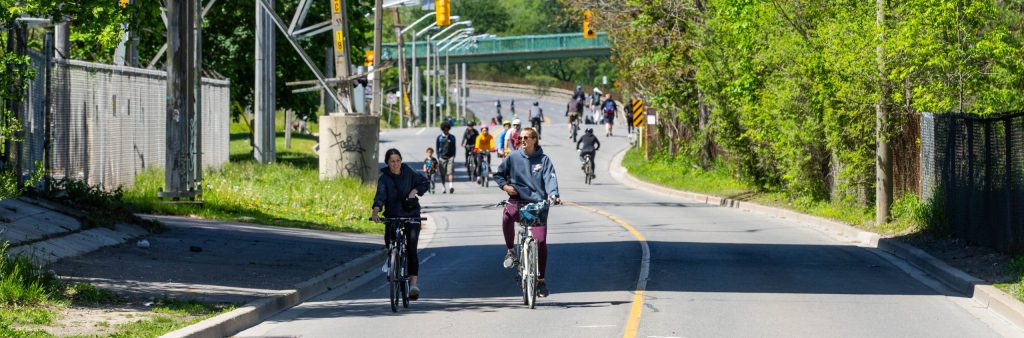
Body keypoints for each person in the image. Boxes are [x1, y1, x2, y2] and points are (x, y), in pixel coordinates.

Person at [493, 127, 561, 298]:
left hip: (537, 204)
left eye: (526, 138)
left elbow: (550, 179)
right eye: (521, 138)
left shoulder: (544, 160)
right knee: (507, 216)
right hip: (516, 200)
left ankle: (541, 281)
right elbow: (499, 175)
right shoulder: (513, 157)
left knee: (540, 241)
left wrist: (554, 195)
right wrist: (506, 187)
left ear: (534, 140)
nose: (522, 140)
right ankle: (510, 251)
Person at [372, 148, 430, 300]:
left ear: (401, 161)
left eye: (398, 161)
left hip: (411, 215)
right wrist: (375, 212)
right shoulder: (384, 178)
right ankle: (392, 258)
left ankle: (413, 285)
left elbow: (424, 182)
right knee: (389, 241)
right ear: (387, 163)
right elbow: (380, 197)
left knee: (411, 249)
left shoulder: (408, 172)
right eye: (392, 161)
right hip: (393, 215)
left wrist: (414, 191)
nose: (395, 164)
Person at [435, 122, 457, 194]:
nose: (446, 130)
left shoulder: (452, 137)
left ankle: (451, 186)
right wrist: (438, 156)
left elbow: (454, 147)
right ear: (442, 129)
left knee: (450, 172)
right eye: (444, 129)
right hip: (442, 157)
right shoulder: (439, 138)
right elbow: (437, 147)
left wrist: (453, 156)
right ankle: (443, 187)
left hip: (450, 157)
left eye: (447, 129)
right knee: (442, 174)